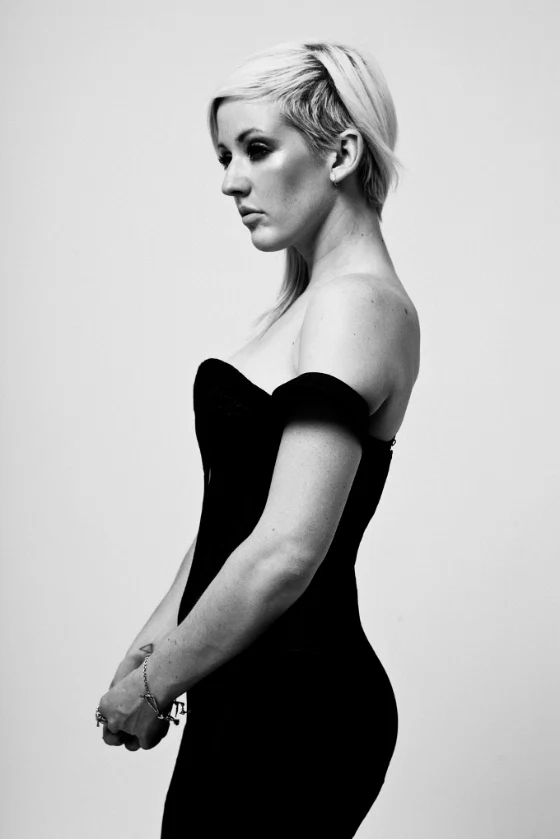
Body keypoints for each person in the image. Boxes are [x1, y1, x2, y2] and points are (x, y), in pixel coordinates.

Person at [96, 39, 420, 838]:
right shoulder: (311, 305)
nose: (230, 181)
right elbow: (236, 512)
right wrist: (153, 646)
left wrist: (156, 684)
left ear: (341, 153)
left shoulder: (357, 305)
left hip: (299, 707)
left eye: (257, 149)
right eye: (224, 156)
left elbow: (285, 549)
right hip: (247, 689)